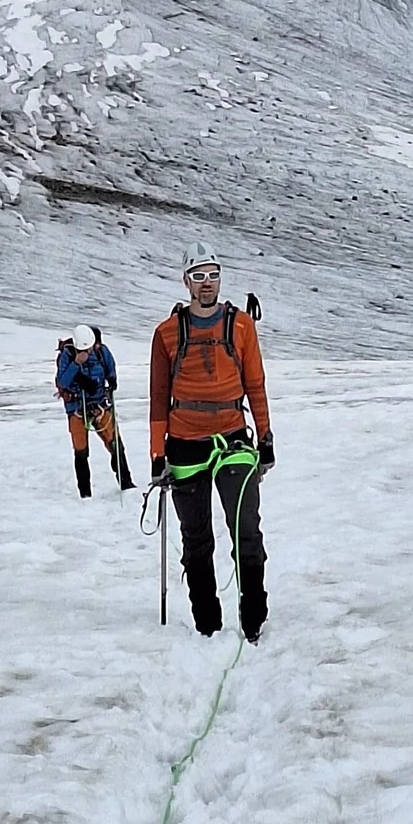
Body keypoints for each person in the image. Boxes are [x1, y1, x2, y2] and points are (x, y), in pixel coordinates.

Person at [149, 248, 271, 642]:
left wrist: (265, 438)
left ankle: (253, 619)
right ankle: (207, 625)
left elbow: (255, 384)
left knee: (246, 531)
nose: (206, 284)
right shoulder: (167, 333)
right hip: (184, 443)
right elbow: (158, 397)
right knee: (196, 539)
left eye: (212, 275)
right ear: (186, 281)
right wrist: (157, 454)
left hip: (233, 438)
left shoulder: (241, 326)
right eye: (198, 276)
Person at [55, 324, 134, 497]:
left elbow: (111, 372)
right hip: (77, 407)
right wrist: (76, 365)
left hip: (100, 405)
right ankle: (85, 493)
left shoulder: (101, 352)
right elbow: (63, 382)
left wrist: (111, 383)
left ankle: (126, 484)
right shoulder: (67, 355)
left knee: (115, 444)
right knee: (81, 451)